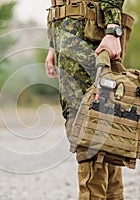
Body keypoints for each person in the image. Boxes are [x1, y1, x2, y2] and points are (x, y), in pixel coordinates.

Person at [45, 0, 125, 199]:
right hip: (67, 42)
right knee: (97, 123)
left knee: (89, 122)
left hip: (91, 42)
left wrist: (113, 29)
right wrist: (53, 45)